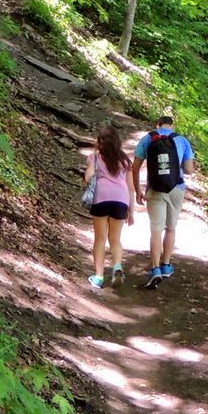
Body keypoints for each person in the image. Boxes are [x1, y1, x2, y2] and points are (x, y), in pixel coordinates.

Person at [132, 114, 194, 288]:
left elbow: (135, 168)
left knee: (156, 230)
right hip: (176, 189)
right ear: (172, 126)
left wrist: (138, 190)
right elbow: (189, 170)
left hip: (155, 189)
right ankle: (166, 265)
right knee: (171, 228)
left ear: (157, 124)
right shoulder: (182, 140)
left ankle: (155, 269)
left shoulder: (147, 139)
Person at [84, 123, 134, 290]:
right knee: (115, 238)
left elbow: (88, 177)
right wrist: (131, 210)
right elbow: (131, 187)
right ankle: (117, 267)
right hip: (121, 199)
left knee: (100, 238)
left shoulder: (95, 157)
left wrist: (89, 174)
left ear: (100, 142)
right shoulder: (125, 160)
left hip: (101, 197)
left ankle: (98, 277)